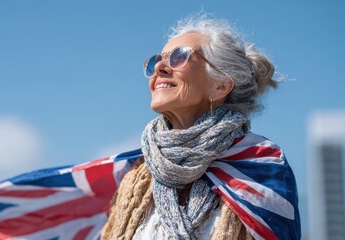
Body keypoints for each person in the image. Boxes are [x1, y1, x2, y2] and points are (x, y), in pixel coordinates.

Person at [101, 15, 301, 239]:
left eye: (179, 57)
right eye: (157, 60)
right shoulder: (136, 177)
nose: (159, 67)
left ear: (220, 85)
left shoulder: (261, 165)